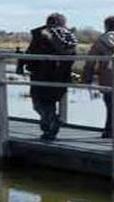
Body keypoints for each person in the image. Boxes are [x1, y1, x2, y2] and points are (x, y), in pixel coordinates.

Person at [23, 13, 77, 141]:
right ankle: (51, 123)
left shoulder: (41, 35)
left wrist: (25, 65)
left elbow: (31, 54)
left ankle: (50, 124)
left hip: (41, 75)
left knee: (39, 104)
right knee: (50, 102)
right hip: (61, 76)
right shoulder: (68, 37)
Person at [82, 16, 114, 139]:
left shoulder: (102, 40)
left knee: (111, 103)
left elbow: (91, 60)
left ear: (106, 26)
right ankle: (109, 130)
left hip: (108, 76)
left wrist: (87, 77)